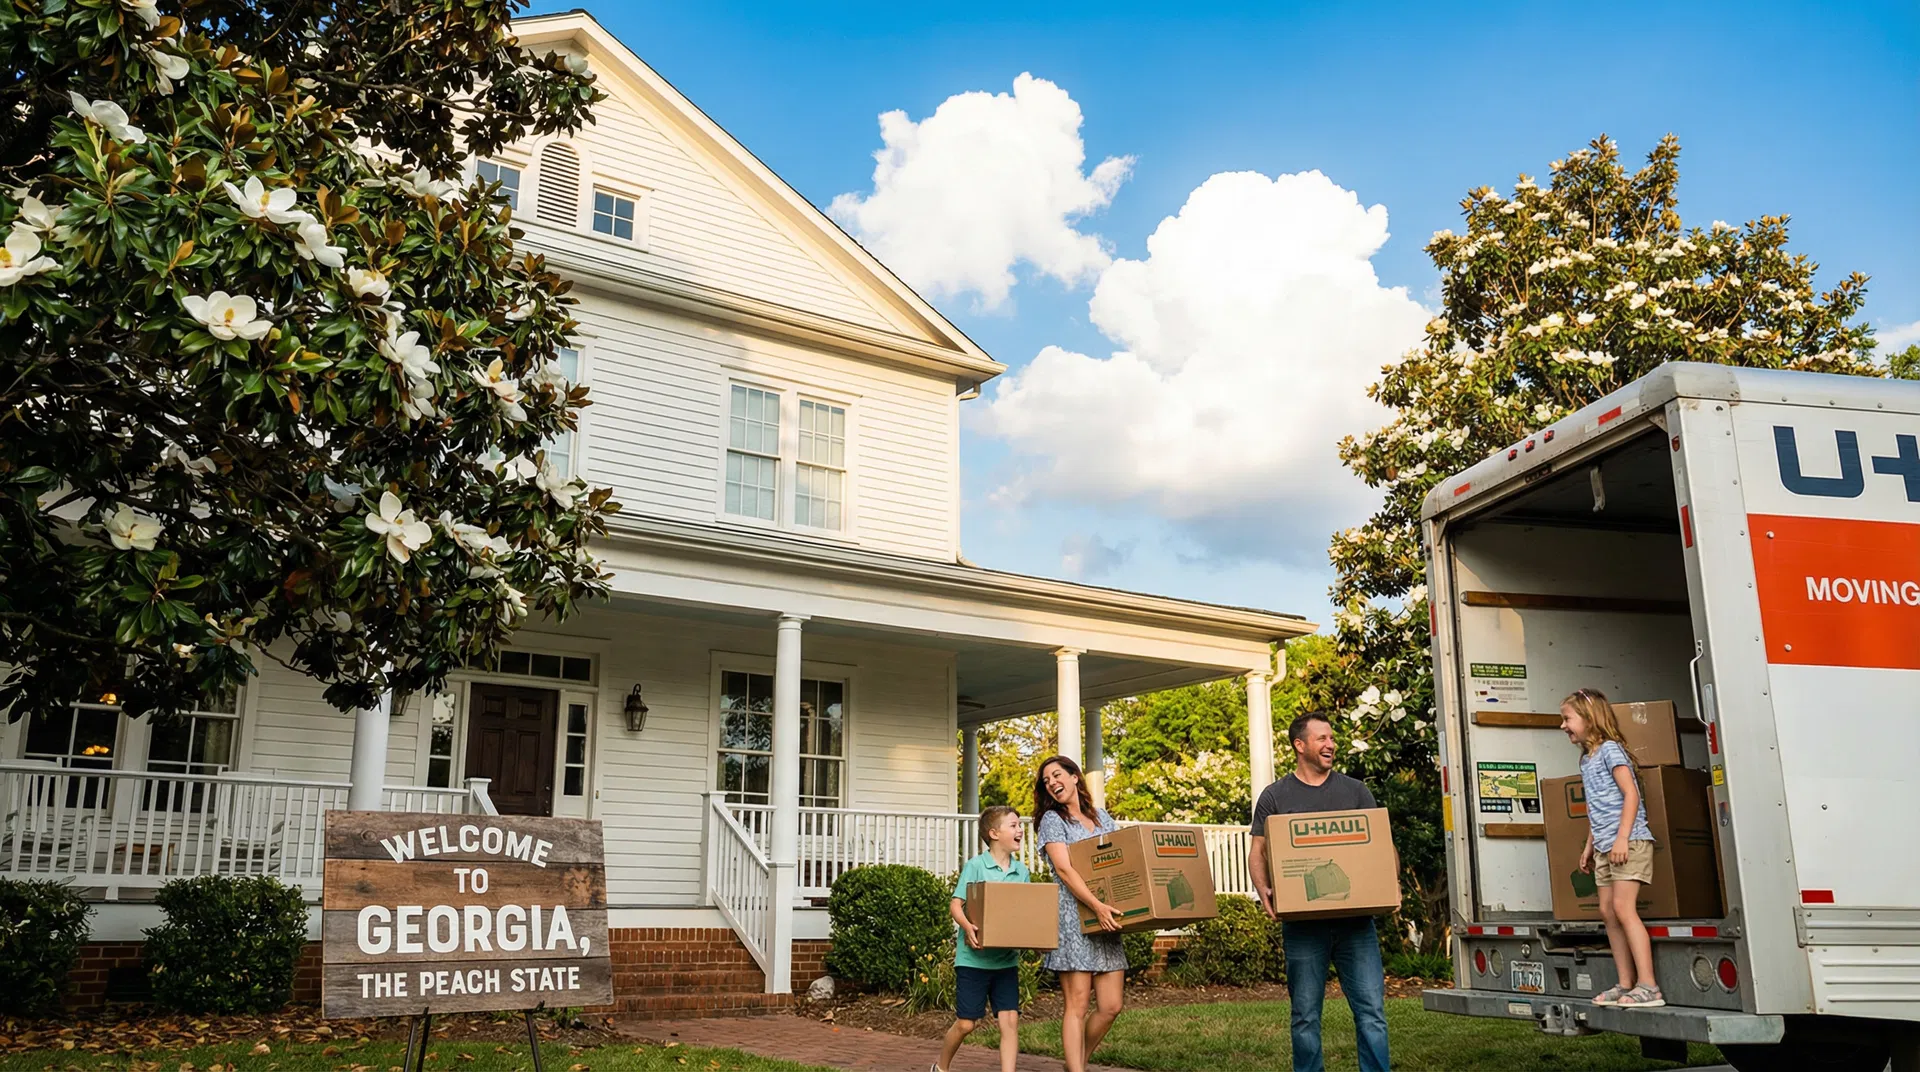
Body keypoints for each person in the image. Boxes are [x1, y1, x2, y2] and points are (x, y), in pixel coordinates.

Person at [1248, 711, 1390, 1072]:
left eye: (1331, 738)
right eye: (1322, 739)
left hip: (1356, 924)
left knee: (1371, 1012)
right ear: (1300, 745)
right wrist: (1263, 888)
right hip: (1303, 926)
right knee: (1305, 1016)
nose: (1331, 744)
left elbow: (1380, 846)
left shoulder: (1355, 791)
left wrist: (1392, 881)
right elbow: (1258, 851)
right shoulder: (1276, 796)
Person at [1560, 687, 1664, 1008]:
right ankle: (1625, 983)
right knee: (1607, 912)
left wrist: (1621, 838)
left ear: (1590, 719)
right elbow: (1597, 807)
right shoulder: (1586, 760)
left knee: (1623, 909)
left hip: (1628, 841)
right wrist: (1590, 846)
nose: (1563, 726)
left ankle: (1649, 986)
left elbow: (1630, 795)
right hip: (1605, 846)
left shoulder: (1611, 751)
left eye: (1567, 718)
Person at [1033, 755, 1125, 1072]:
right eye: (1047, 781)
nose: (1053, 783)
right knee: (1078, 1004)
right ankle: (1076, 1069)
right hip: (1074, 918)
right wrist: (1096, 906)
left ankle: (1077, 1063)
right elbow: (1064, 868)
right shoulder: (1052, 821)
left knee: (1111, 1006)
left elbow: (1118, 860)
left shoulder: (1101, 817)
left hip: (1106, 918)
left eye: (1057, 775)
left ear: (1074, 777)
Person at [933, 804, 1029, 1072]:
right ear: (994, 833)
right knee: (967, 1023)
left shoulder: (1022, 873)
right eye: (1014, 825)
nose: (1020, 829)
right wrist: (967, 927)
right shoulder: (976, 866)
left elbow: (1024, 912)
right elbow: (956, 905)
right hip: (973, 961)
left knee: (1009, 1022)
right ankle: (940, 1067)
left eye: (1019, 825)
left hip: (1006, 961)